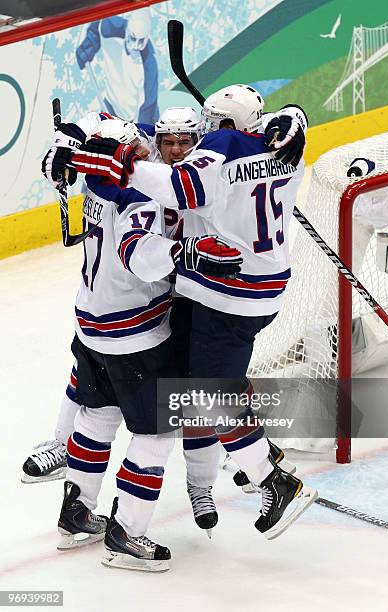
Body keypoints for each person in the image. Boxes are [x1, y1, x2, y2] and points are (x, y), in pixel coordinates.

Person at [69, 84, 318, 540]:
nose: (190, 141)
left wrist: (122, 168)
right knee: (208, 390)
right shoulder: (284, 144)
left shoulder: (216, 155)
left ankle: (270, 477)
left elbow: (178, 186)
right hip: (264, 288)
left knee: (206, 396)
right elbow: (277, 123)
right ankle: (254, 457)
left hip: (224, 293)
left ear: (221, 127)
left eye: (204, 128)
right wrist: (296, 114)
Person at [36, 112, 241, 569]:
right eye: (138, 147)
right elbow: (138, 255)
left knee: (97, 415)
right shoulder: (136, 196)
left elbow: (95, 128)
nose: (147, 150)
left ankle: (76, 514)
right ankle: (127, 533)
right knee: (156, 432)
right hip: (134, 333)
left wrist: (66, 140)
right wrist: (187, 252)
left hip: (89, 323)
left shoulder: (93, 180)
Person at [76, 8, 159, 124]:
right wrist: (89, 45)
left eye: (141, 41)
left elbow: (149, 105)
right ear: (127, 29)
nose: (135, 45)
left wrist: (143, 132)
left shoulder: (149, 62)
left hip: (132, 120)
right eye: (133, 38)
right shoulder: (110, 27)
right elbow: (97, 26)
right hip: (109, 107)